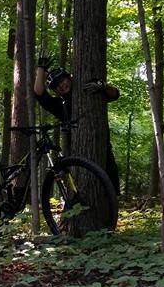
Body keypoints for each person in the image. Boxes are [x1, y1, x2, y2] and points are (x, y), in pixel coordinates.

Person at [34, 53, 121, 194]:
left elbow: (115, 94)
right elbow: (39, 93)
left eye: (62, 81)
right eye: (57, 86)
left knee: (111, 193)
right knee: (78, 193)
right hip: (76, 155)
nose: (61, 86)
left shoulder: (87, 91)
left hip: (103, 150)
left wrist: (103, 86)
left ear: (70, 78)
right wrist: (41, 68)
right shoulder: (58, 105)